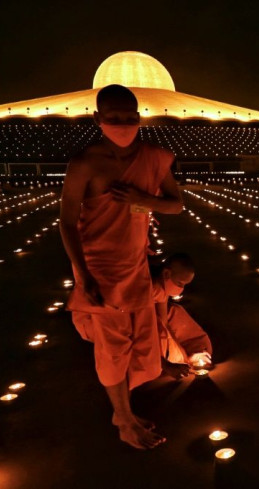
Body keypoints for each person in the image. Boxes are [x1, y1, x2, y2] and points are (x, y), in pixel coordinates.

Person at [60, 84, 183, 449]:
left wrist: (143, 199)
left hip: (136, 266)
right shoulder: (86, 163)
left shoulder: (153, 156)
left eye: (131, 118)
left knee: (141, 345)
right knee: (113, 348)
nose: (124, 125)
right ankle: (125, 422)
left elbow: (175, 204)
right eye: (114, 119)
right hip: (101, 269)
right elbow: (67, 221)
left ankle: (122, 409)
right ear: (98, 119)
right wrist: (82, 276)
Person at [150, 252, 212, 380]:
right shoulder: (147, 288)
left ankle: (192, 353)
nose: (182, 289)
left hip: (152, 320)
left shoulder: (163, 289)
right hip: (134, 326)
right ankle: (162, 361)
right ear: (166, 274)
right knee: (157, 330)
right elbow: (141, 332)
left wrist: (184, 353)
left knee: (175, 312)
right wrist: (166, 364)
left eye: (185, 285)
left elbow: (164, 322)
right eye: (180, 283)